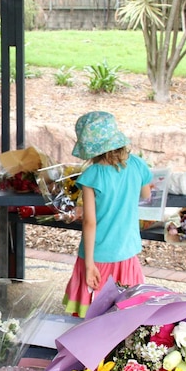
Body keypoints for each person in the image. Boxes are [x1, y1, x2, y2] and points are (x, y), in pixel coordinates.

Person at [63, 111, 152, 318]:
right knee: (126, 312)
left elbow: (90, 222)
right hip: (127, 252)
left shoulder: (91, 176)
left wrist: (89, 264)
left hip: (98, 255)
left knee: (92, 315)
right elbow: (146, 194)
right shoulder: (137, 164)